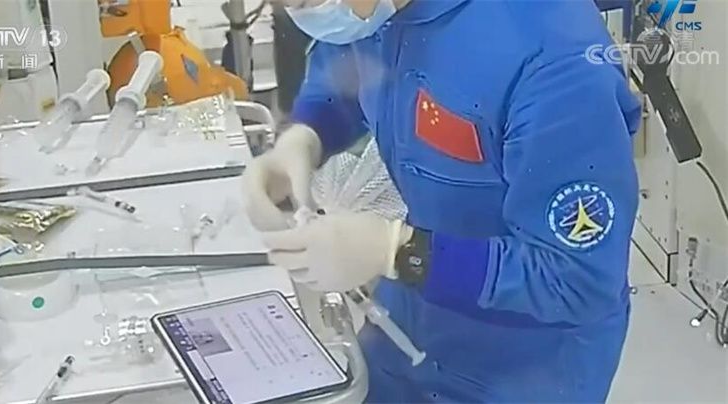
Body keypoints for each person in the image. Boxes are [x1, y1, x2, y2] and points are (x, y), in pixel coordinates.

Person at [242, 0, 641, 402]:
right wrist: (305, 136)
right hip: (408, 327)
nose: (300, 11)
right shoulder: (376, 13)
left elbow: (577, 278)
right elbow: (346, 62)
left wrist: (398, 252)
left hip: (526, 361)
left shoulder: (553, 60)